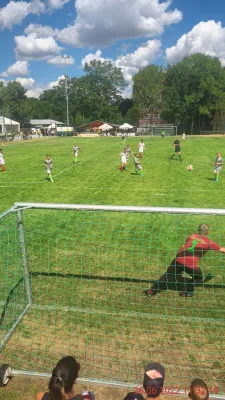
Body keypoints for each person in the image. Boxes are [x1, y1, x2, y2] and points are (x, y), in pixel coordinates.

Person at [143, 224, 225, 298]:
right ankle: (187, 292)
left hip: (178, 259)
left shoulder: (192, 236)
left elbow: (184, 246)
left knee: (167, 276)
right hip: (190, 264)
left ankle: (151, 291)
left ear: (198, 230)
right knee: (198, 278)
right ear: (208, 232)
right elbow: (222, 249)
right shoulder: (209, 243)